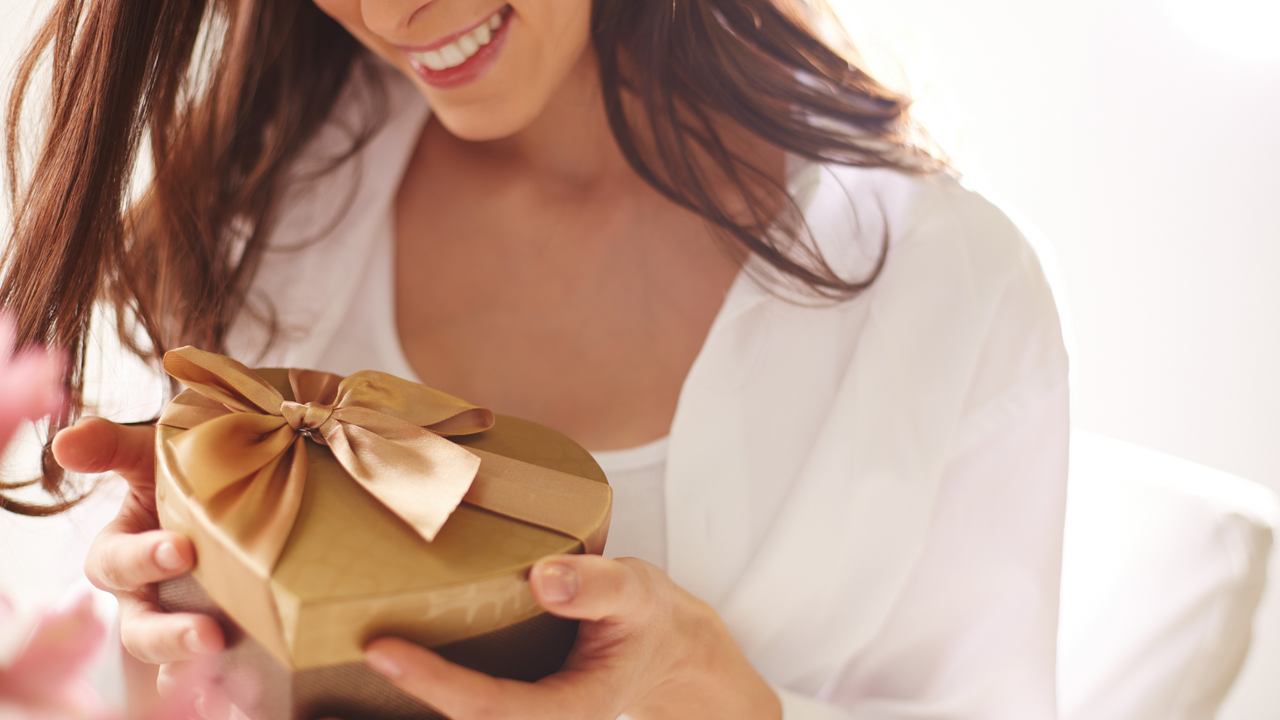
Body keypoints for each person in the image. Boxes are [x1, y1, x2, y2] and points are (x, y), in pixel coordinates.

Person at [0, 0, 1069, 718]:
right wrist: (173, 623)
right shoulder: (255, 198)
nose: (391, 13)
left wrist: (714, 693)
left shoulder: (942, 292)